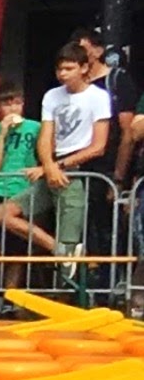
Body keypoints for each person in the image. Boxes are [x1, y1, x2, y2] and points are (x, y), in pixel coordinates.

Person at [40, 36, 111, 282]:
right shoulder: (51, 95)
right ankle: (58, 250)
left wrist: (57, 166)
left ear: (84, 68)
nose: (63, 74)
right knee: (5, 213)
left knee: (76, 229)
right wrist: (48, 165)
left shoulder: (98, 96)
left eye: (69, 68)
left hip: (80, 168)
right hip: (54, 164)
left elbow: (99, 146)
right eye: (59, 69)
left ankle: (69, 281)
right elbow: (45, 135)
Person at [0, 76, 48, 295]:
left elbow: (46, 155)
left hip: (25, 191)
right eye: (7, 104)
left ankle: (11, 296)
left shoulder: (36, 127)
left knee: (18, 250)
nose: (13, 108)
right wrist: (2, 134)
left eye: (17, 103)